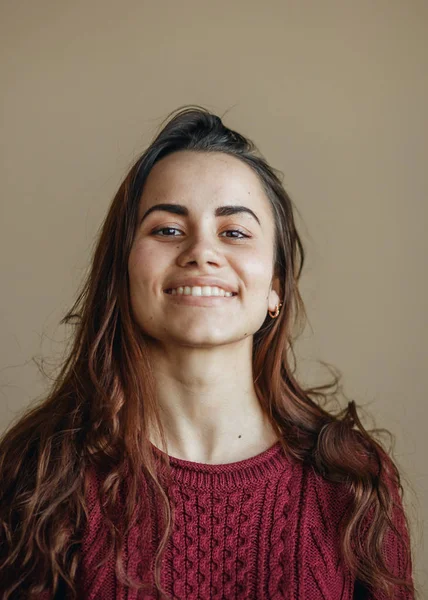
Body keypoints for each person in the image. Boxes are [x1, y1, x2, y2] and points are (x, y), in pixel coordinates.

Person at [0, 106, 415, 599]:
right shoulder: (42, 474)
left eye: (235, 232)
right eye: (167, 230)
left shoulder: (353, 481)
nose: (201, 251)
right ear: (124, 271)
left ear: (275, 286)